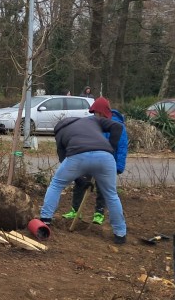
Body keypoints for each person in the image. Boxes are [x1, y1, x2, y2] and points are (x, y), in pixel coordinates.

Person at [40, 109, 127, 243]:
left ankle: (45, 220)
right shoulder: (92, 120)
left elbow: (64, 159)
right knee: (111, 194)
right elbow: (117, 126)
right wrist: (110, 148)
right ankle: (120, 233)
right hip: (105, 158)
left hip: (77, 156)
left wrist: (79, 179)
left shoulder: (60, 132)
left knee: (56, 184)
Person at [62, 97, 129, 225]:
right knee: (80, 183)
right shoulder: (92, 123)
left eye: (96, 113)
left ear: (102, 112)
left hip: (106, 162)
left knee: (103, 187)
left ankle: (99, 213)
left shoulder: (117, 125)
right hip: (89, 157)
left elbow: (122, 147)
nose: (94, 116)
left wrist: (119, 166)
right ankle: (75, 210)